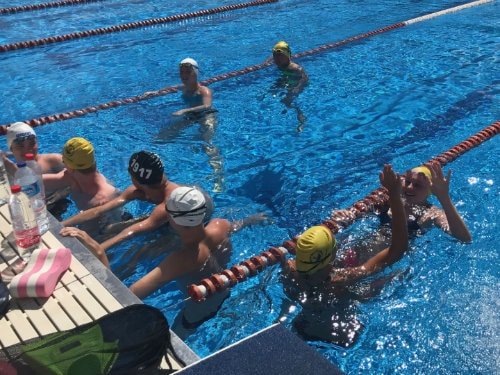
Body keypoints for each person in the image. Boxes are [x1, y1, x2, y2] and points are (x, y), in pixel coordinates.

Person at [62, 186, 266, 335]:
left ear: (173, 220)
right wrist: (252, 220)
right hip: (224, 286)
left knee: (177, 338)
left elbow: (127, 296)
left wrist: (98, 250)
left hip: (198, 311)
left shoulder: (180, 260)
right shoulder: (219, 225)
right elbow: (238, 225)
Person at [280, 164, 408, 347]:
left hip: (301, 328)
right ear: (332, 257)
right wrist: (394, 194)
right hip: (341, 337)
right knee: (393, 277)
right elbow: (398, 250)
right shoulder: (339, 281)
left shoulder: (289, 270)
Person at [61, 150, 213, 253]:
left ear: (135, 178)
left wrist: (97, 250)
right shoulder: (139, 190)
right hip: (174, 210)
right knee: (108, 230)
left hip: (196, 217)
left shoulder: (165, 206)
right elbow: (99, 210)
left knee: (143, 250)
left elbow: (130, 233)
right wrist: (62, 225)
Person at [331, 161, 472, 249]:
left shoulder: (431, 214)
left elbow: (464, 238)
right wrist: (347, 216)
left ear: (430, 191)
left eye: (417, 185)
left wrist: (444, 197)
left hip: (387, 262)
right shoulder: (389, 200)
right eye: (408, 182)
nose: (410, 188)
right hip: (359, 247)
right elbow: (362, 213)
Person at [158, 57, 223, 192]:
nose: (184, 76)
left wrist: (185, 110)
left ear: (196, 73)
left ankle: (218, 174)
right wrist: (153, 93)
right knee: (163, 136)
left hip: (207, 115)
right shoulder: (183, 88)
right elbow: (169, 89)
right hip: (191, 116)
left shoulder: (204, 91)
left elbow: (207, 105)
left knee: (208, 143)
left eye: (188, 72)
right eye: (182, 72)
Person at [42, 137, 121, 238]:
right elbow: (40, 180)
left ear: (70, 167)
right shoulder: (71, 176)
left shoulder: (105, 198)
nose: (63, 165)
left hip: (102, 226)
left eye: (64, 161)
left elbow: (108, 233)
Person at [4, 122, 69, 217]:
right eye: (20, 146)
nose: (28, 149)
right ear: (11, 149)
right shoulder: (7, 173)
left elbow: (79, 175)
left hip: (60, 206)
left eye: (31, 143)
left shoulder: (54, 161)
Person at [271, 41, 308, 131]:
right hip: (287, 81)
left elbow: (304, 78)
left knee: (288, 101)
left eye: (280, 56)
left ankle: (301, 120)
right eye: (275, 56)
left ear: (287, 56)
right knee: (272, 91)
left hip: (296, 84)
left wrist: (298, 87)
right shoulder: (281, 66)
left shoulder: (295, 68)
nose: (277, 59)